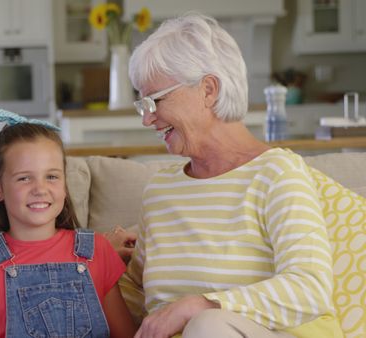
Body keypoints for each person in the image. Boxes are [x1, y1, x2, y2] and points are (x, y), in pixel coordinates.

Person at [119, 13, 342, 338]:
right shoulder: (160, 191)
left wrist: (200, 306)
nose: (147, 119)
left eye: (154, 101)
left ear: (208, 90)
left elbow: (311, 288)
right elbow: (134, 294)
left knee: (208, 326)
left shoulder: (275, 174)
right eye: (143, 105)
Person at [0, 109, 136, 338]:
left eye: (51, 176)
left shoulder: (97, 249)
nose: (40, 189)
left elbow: (126, 335)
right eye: (24, 178)